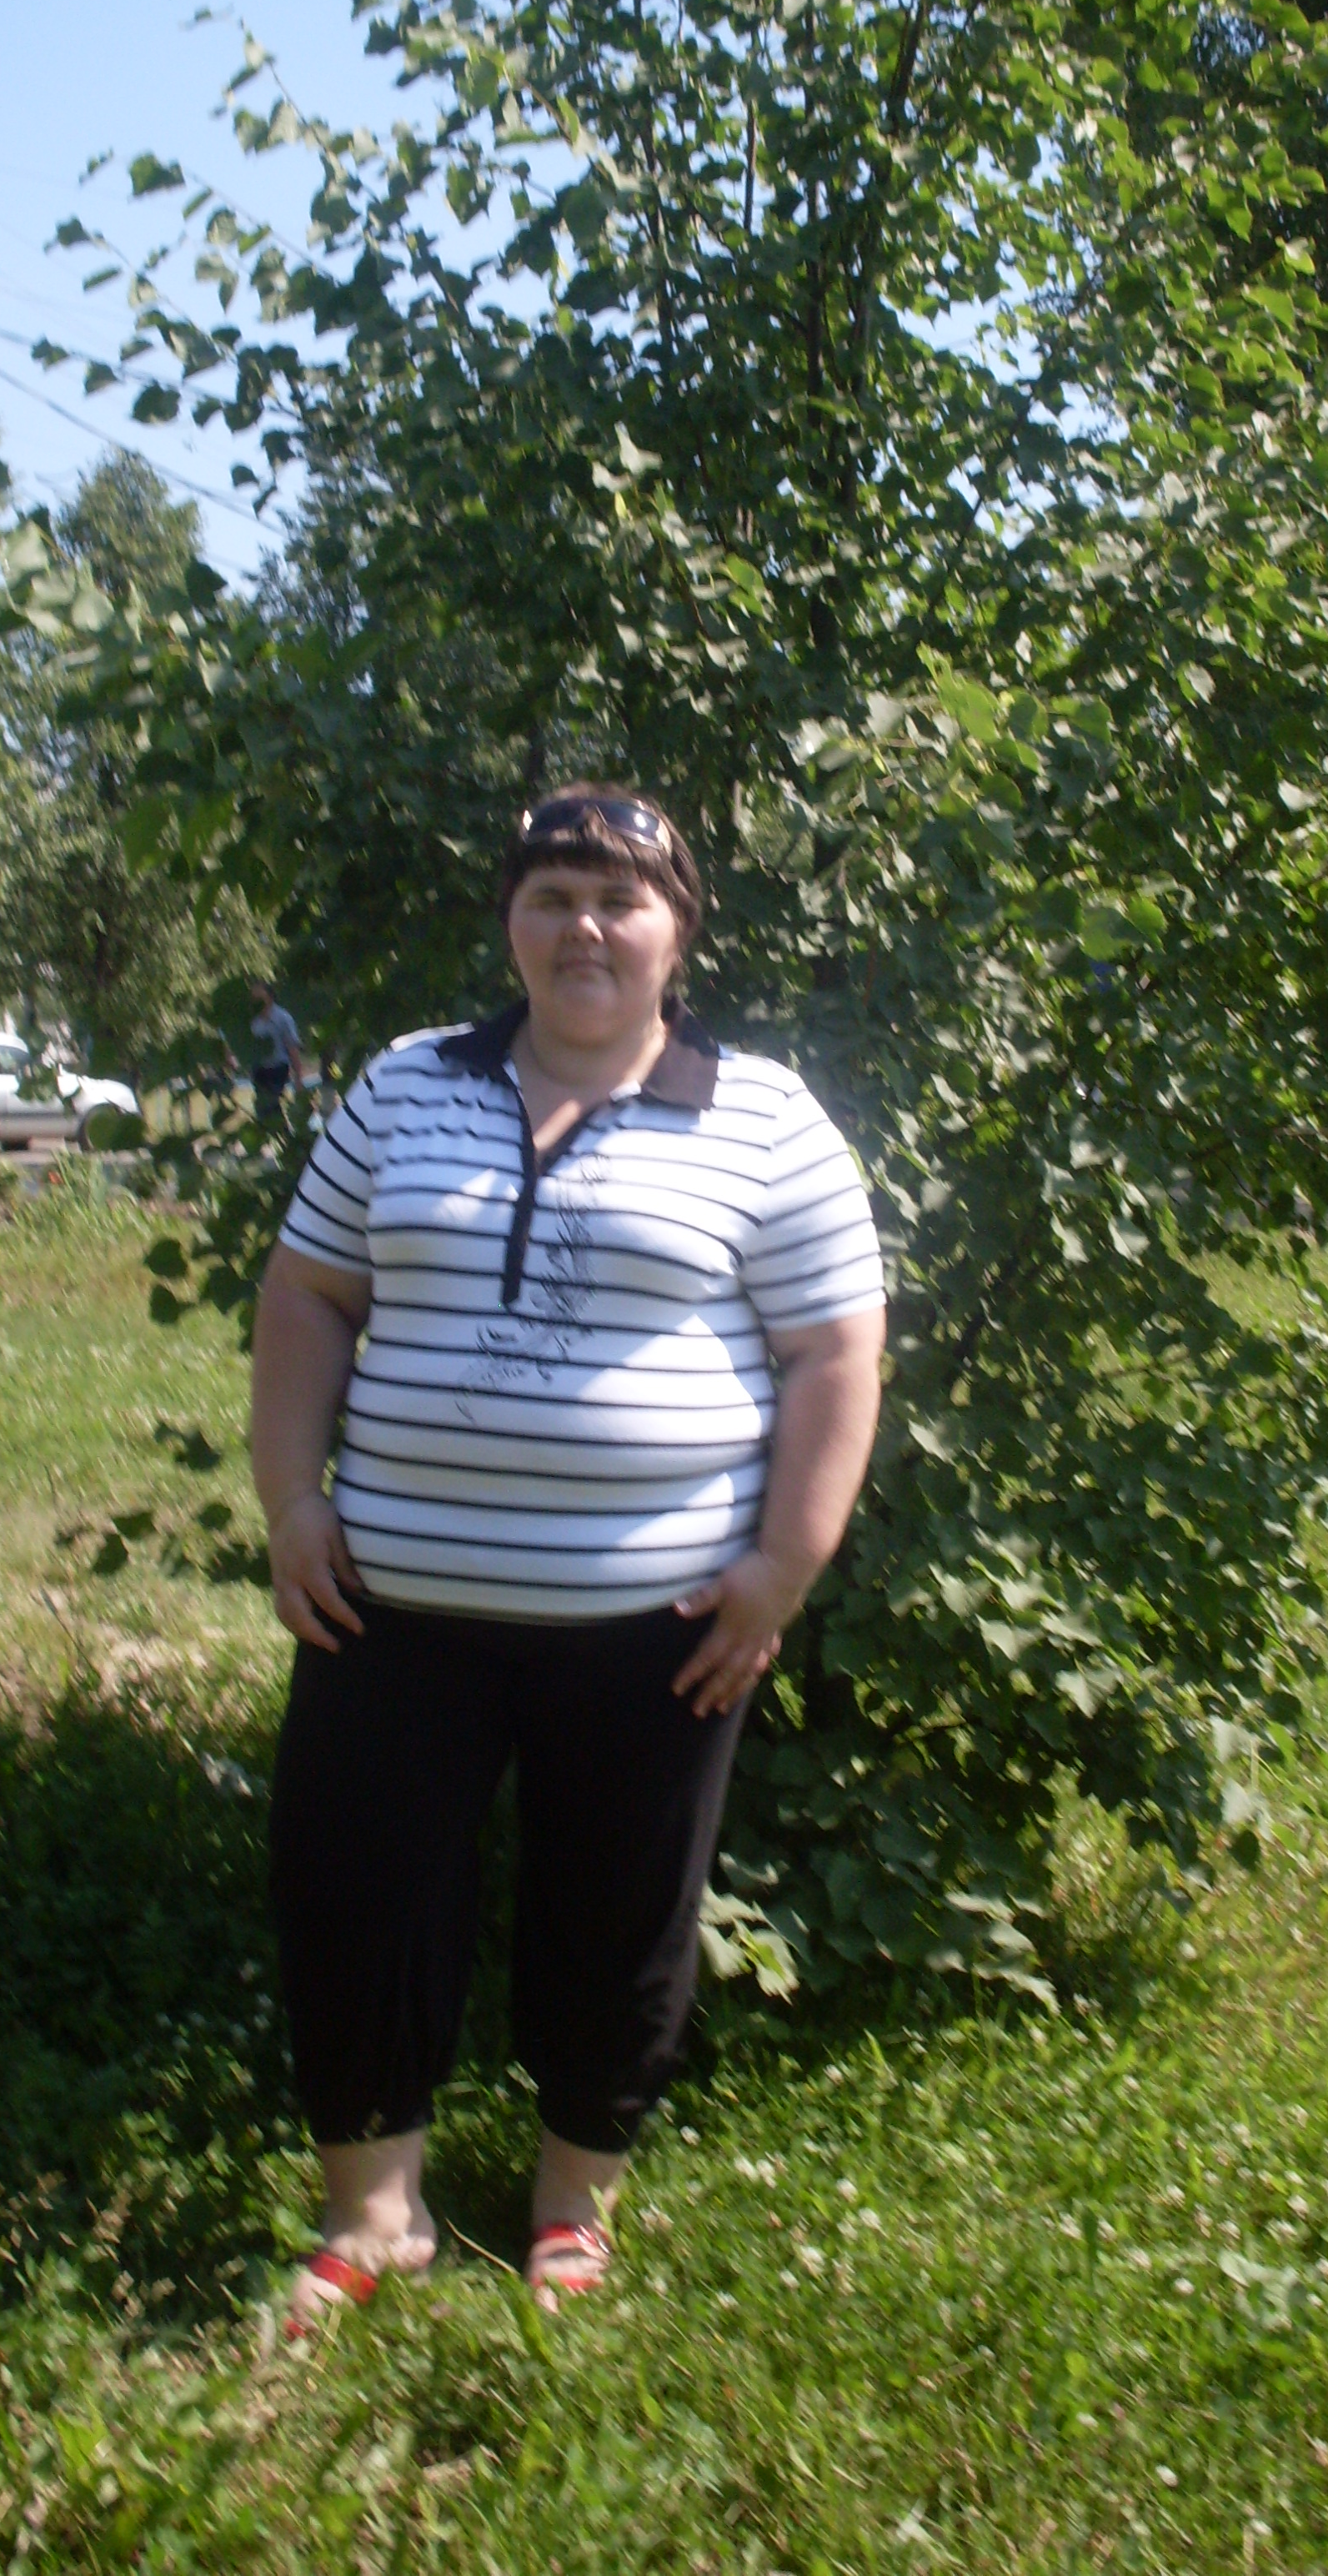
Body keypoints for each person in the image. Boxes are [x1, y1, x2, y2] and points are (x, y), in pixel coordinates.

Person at [250, 784, 887, 2327]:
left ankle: (571, 2208)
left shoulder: (764, 1116)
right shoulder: (407, 1085)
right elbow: (308, 1291)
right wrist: (290, 1502)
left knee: (619, 1910)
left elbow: (835, 1350)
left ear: (679, 932)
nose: (583, 927)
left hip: (657, 1616)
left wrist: (784, 1569)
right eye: (551, 895)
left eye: (620, 898)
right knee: (354, 1892)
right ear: (510, 925)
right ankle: (373, 2213)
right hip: (386, 1605)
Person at [249, 982, 303, 1122]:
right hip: (259, 1069)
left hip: (278, 1067)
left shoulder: (283, 1018)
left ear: (270, 997)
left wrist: (298, 1076)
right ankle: (275, 1128)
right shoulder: (252, 1020)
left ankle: (281, 1129)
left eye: (260, 996)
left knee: (271, 1102)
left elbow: (292, 1047)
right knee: (263, 1106)